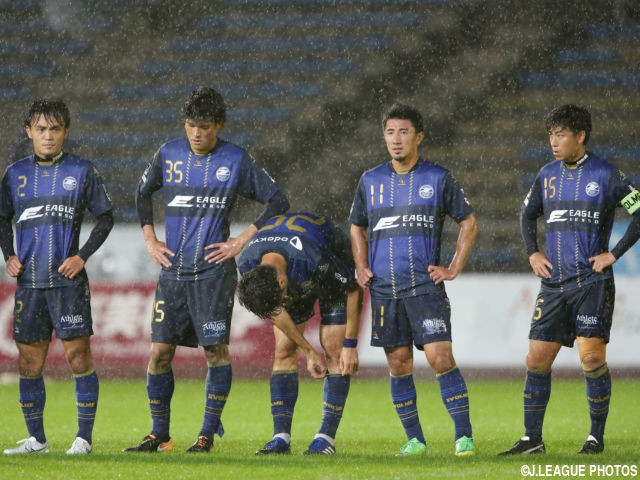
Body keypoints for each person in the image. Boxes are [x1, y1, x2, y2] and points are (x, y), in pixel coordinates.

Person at [125, 87, 289, 454]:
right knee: (159, 353)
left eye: (203, 126)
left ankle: (206, 434)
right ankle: (160, 435)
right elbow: (141, 192)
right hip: (173, 273)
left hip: (213, 274)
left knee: (215, 352)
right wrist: (150, 239)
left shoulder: (235, 159)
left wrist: (242, 239)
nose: (196, 133)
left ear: (218, 125)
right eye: (190, 125)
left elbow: (278, 199)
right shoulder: (169, 153)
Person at [500, 104, 640, 455]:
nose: (554, 141)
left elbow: (639, 210)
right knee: (535, 360)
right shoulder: (546, 175)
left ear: (581, 136)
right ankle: (533, 440)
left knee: (590, 359)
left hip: (591, 282)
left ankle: (595, 437)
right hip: (554, 285)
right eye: (551, 134)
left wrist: (615, 253)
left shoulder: (606, 174)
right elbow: (527, 213)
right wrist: (533, 252)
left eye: (561, 134)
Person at [349, 102, 478, 457]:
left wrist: (452, 267)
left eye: (404, 131)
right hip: (385, 289)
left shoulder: (437, 178)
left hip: (424, 286)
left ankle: (463, 437)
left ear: (419, 136)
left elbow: (468, 221)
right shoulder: (370, 180)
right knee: (399, 363)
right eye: (390, 132)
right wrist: (361, 266)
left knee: (440, 357)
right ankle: (415, 440)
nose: (396, 139)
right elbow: (357, 225)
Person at [0, 99, 114, 455]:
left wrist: (82, 257)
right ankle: (37, 440)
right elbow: (2, 219)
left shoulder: (82, 171)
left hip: (67, 284)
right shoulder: (14, 174)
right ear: (29, 132)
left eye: (55, 129)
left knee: (78, 357)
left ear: (65, 131)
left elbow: (106, 217)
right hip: (30, 284)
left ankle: (84, 438)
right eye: (41, 129)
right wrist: (9, 255)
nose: (48, 136)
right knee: (29, 362)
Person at [237, 212, 362, 456]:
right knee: (284, 348)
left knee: (334, 347)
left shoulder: (314, 259)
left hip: (331, 267)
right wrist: (307, 350)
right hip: (297, 269)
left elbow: (352, 290)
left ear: (282, 284)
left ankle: (325, 438)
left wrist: (350, 344)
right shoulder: (249, 266)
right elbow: (274, 308)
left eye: (280, 300)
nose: (281, 305)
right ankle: (280, 438)